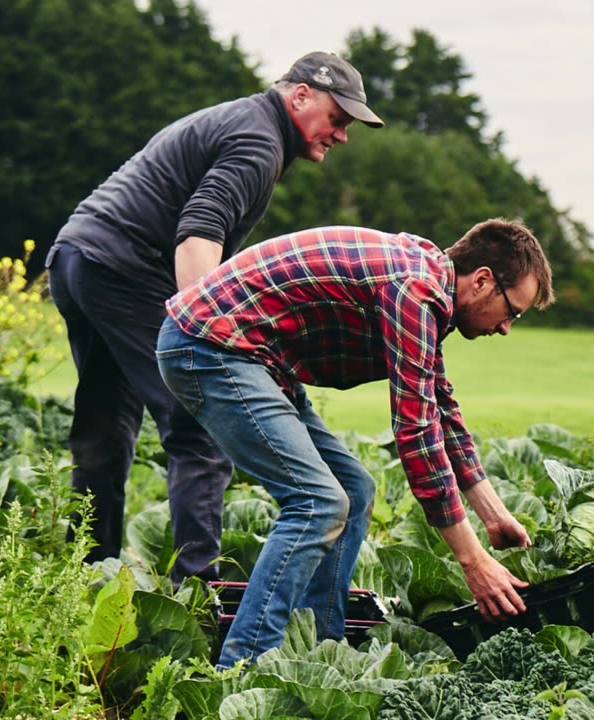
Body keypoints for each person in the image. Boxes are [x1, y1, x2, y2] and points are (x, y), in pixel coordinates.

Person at [46, 52, 383, 584]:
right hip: (123, 265)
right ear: (299, 97)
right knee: (198, 426)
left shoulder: (243, 121)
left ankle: (83, 575)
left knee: (105, 425)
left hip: (78, 257)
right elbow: (199, 233)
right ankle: (193, 594)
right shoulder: (258, 142)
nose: (341, 135)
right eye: (337, 120)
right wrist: (208, 339)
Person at [156, 219, 554, 668]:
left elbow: (440, 408)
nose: (506, 328)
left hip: (257, 360)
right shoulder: (414, 290)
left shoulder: (427, 286)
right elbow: (417, 433)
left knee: (356, 491)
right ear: (482, 280)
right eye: (513, 310)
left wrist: (494, 516)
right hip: (211, 347)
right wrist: (472, 560)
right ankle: (242, 667)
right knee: (318, 503)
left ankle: (317, 650)